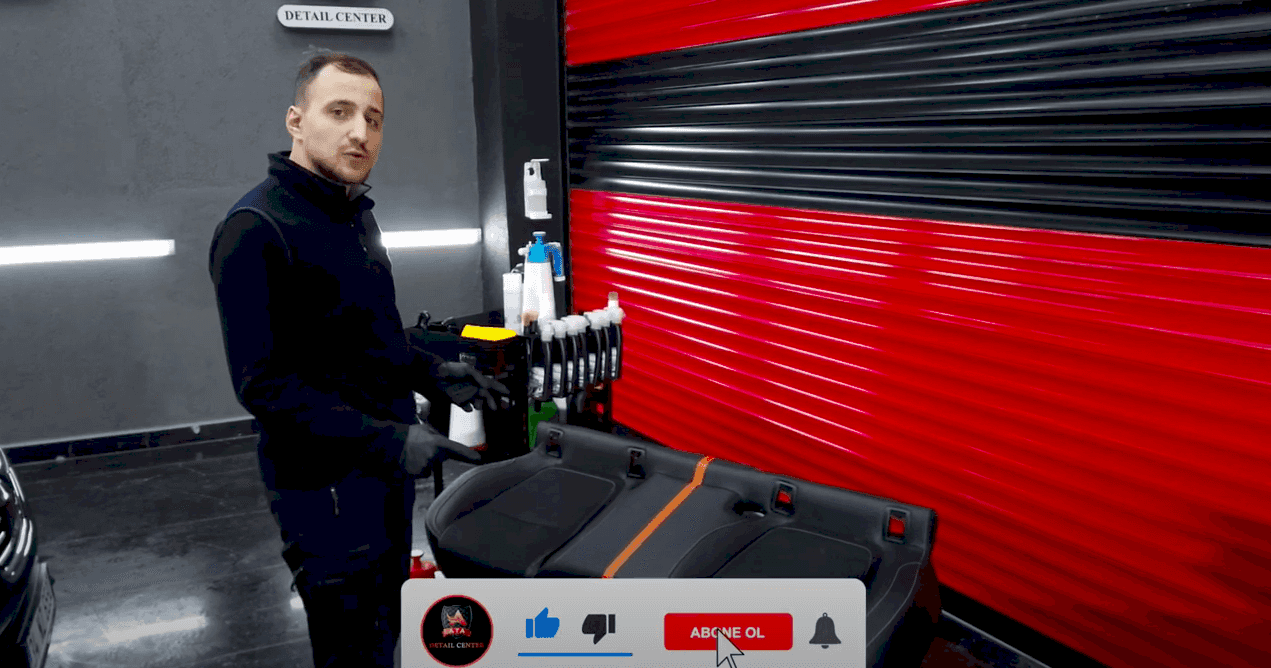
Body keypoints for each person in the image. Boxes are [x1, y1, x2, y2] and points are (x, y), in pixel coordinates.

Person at [207, 51, 507, 667]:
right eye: (339, 112)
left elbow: (369, 334)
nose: (359, 132)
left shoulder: (353, 214)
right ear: (296, 121)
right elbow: (264, 386)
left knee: (389, 625)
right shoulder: (255, 229)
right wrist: (393, 440)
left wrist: (432, 370)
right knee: (353, 648)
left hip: (383, 478)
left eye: (373, 118)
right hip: (325, 494)